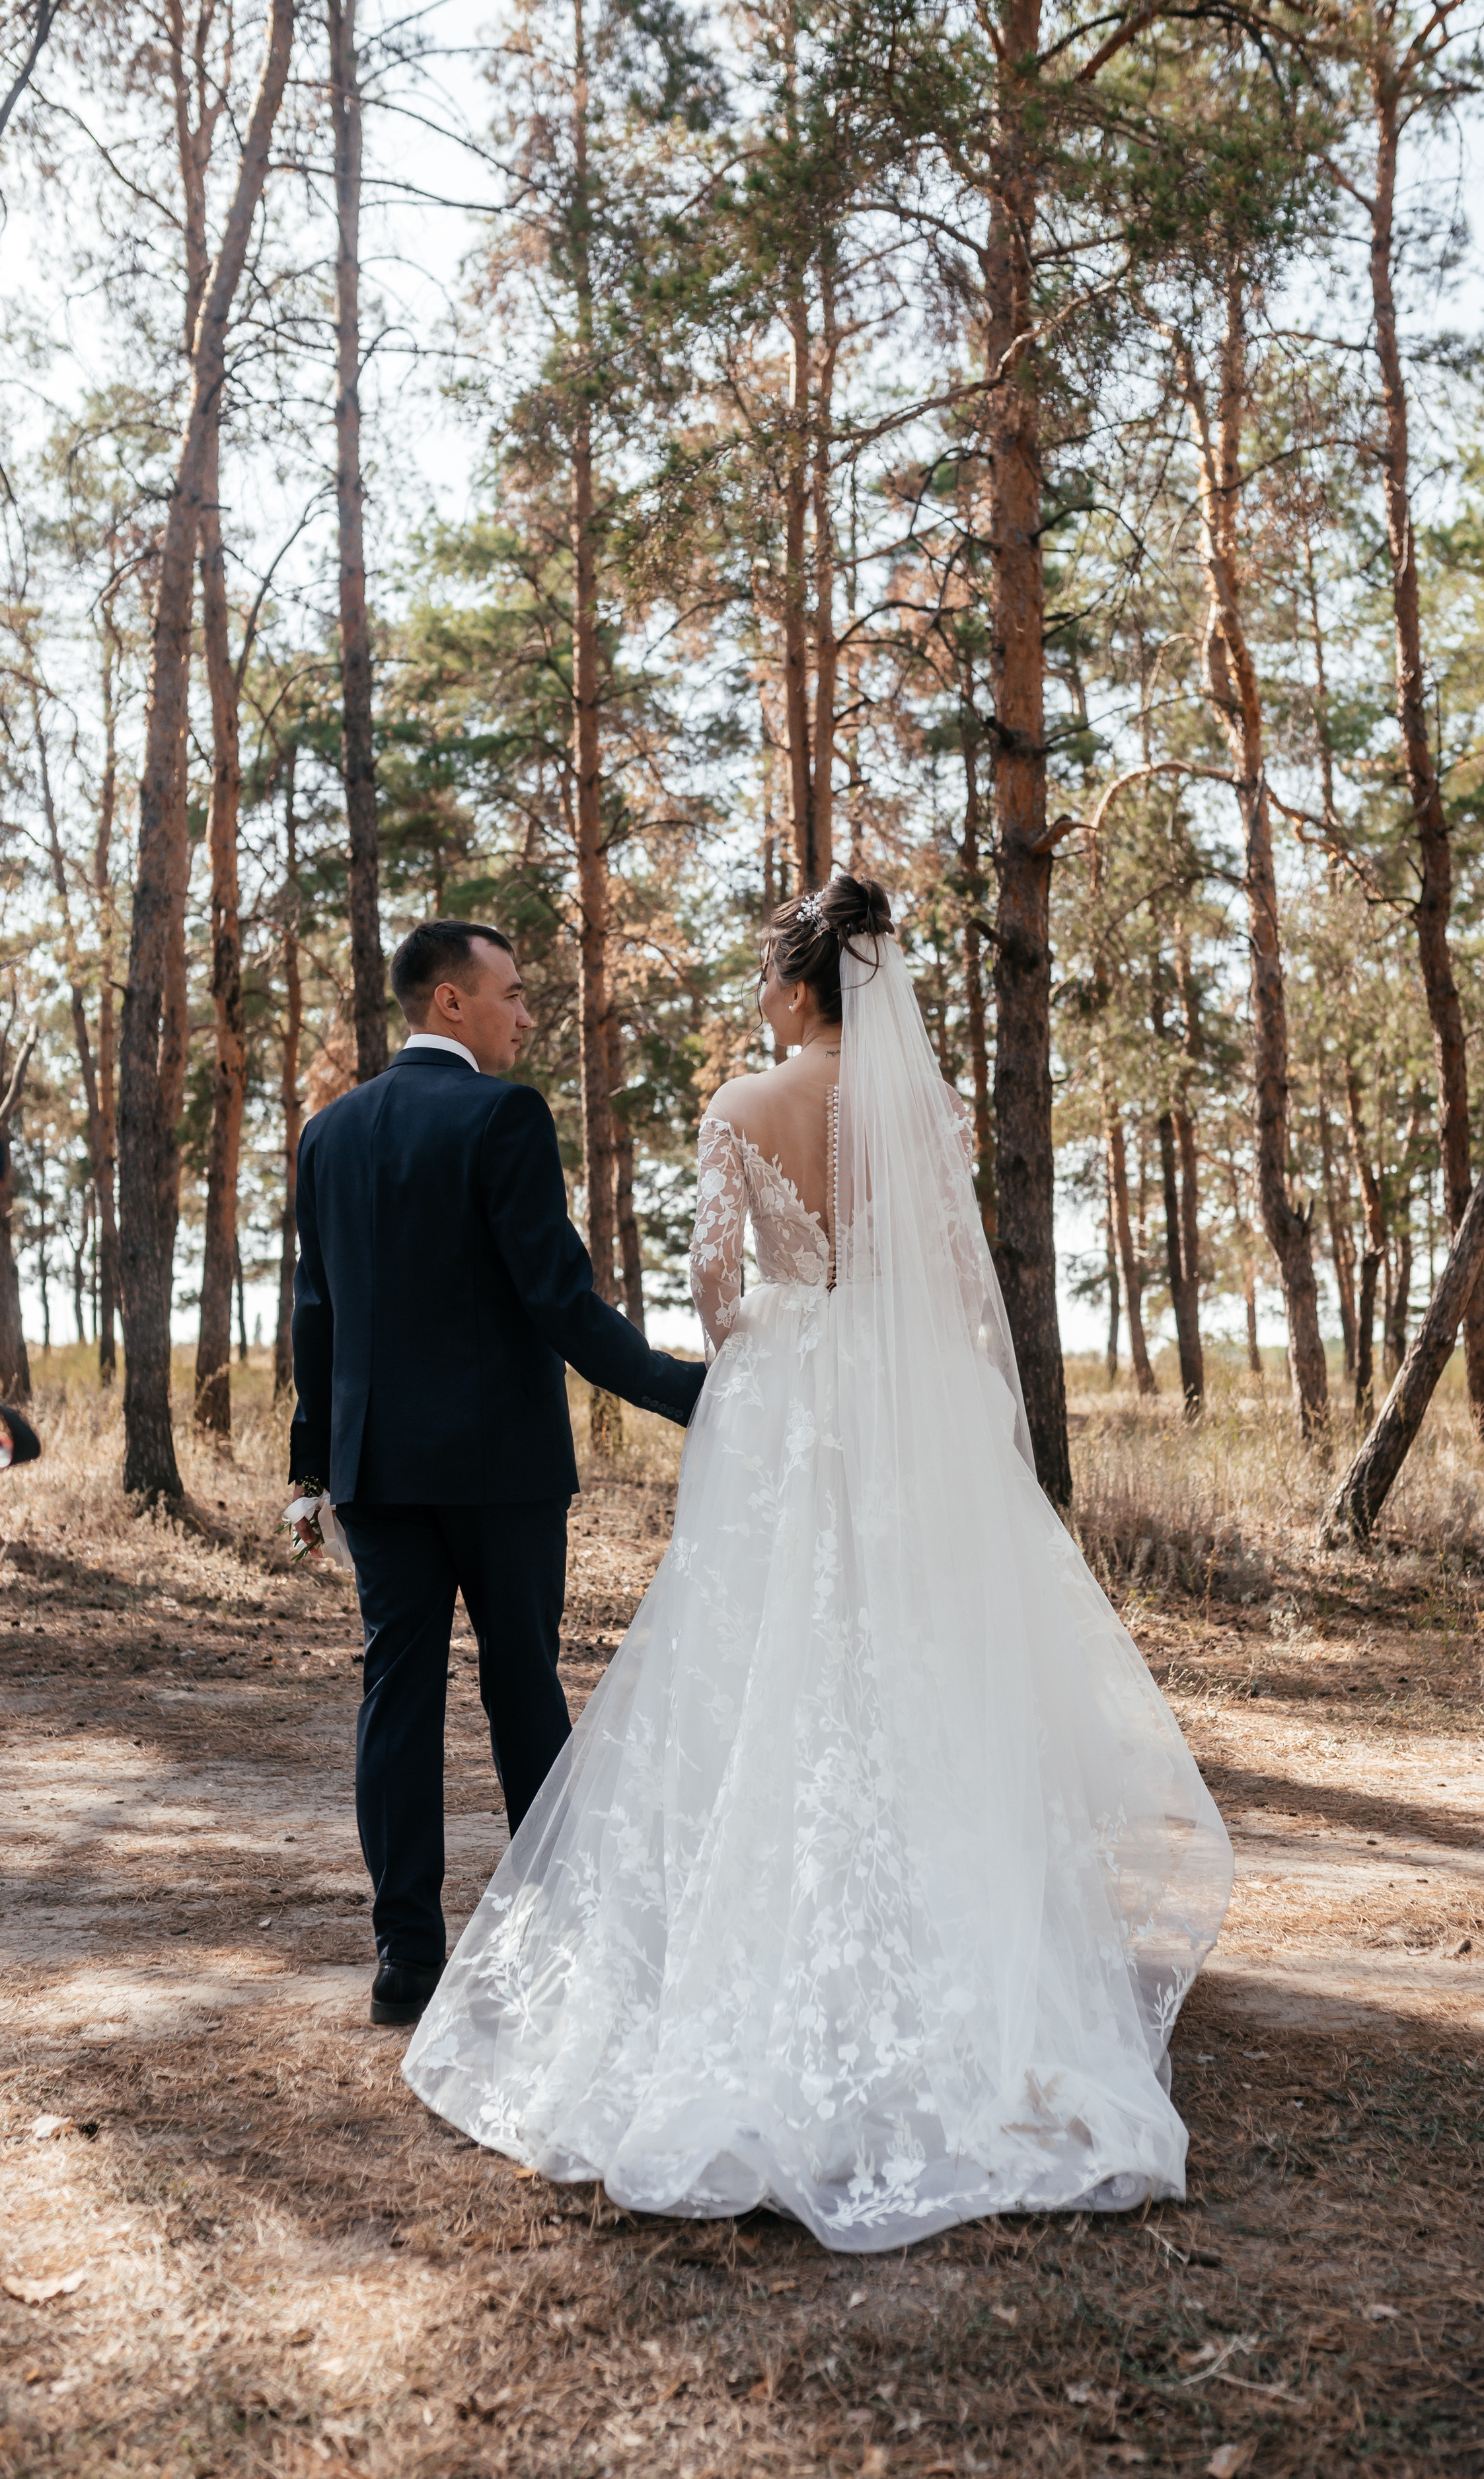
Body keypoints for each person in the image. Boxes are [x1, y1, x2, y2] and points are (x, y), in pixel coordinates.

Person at [403, 879, 1233, 2251]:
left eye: (764, 977)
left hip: (789, 1406)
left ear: (797, 988)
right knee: (914, 1656)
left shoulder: (740, 1109)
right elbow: (966, 1296)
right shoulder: (930, 1111)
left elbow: (719, 1298)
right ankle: (972, 1975)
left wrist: (783, 1343)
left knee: (765, 1662)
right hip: (911, 1417)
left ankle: (750, 1953)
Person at [288, 920, 704, 2028]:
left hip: (374, 1471)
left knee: (397, 1698)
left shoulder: (326, 1136)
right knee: (521, 1685)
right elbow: (559, 1300)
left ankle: (405, 1961)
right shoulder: (505, 1116)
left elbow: (315, 1318)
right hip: (500, 1468)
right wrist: (693, 1394)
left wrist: (305, 1470)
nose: (528, 1013)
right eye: (513, 994)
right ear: (448, 1003)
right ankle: (558, 1934)